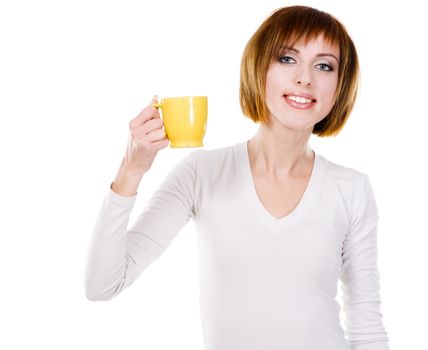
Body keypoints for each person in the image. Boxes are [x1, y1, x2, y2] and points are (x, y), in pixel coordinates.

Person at [85, 5, 390, 350]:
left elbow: (367, 330)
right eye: (287, 59)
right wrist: (132, 168)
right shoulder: (203, 173)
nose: (305, 77)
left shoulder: (351, 188)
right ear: (258, 70)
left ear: (339, 87)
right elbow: (101, 284)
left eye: (324, 65)